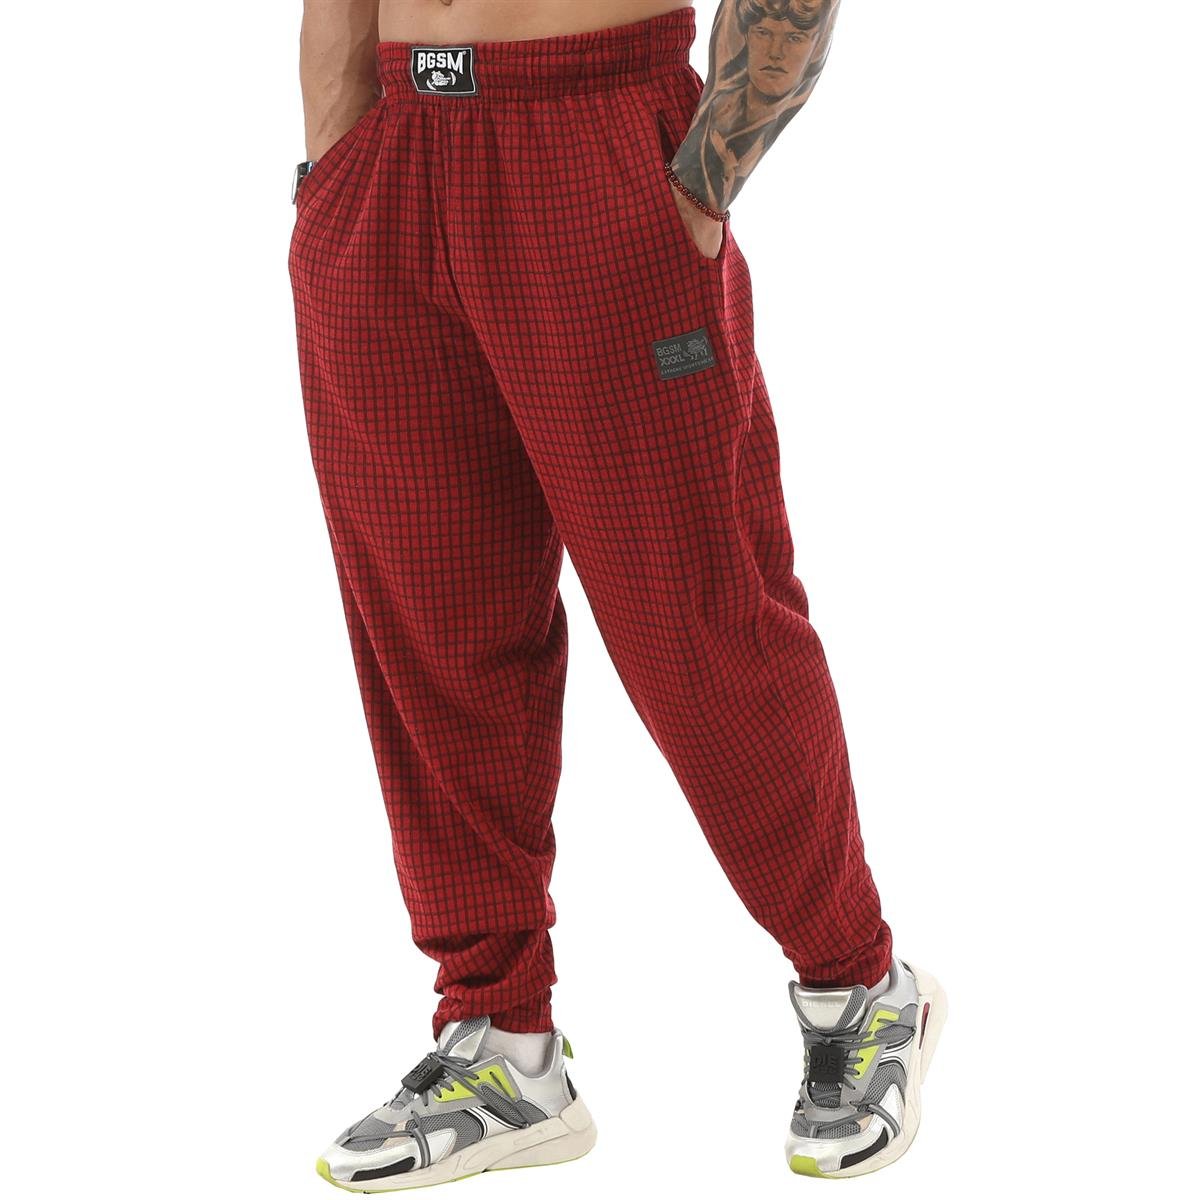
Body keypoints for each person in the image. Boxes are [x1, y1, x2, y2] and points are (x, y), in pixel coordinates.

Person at [289, 0, 945, 1188]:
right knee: (434, 629)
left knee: (697, 622)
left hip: (596, 142)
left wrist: (696, 192)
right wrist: (333, 162)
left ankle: (859, 984)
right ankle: (501, 1040)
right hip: (390, 156)